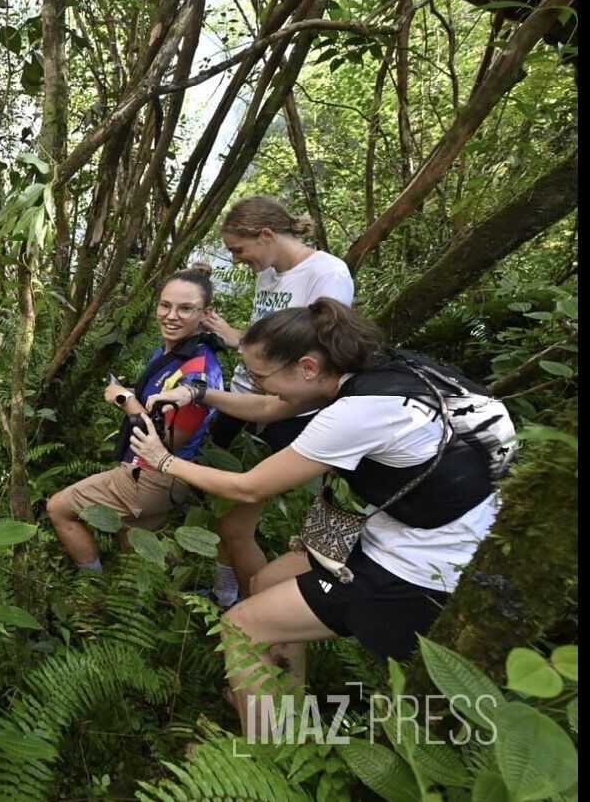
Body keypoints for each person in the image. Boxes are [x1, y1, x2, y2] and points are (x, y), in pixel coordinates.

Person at [130, 299, 512, 737]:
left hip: (422, 567)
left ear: (308, 367)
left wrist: (163, 461)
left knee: (241, 626)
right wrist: (199, 392)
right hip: (428, 526)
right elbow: (277, 407)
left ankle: (267, 752)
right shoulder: (388, 372)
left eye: (258, 377)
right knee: (267, 582)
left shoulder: (359, 413)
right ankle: (282, 704)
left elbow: (249, 487)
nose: (258, 388)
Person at [199, 197, 354, 609]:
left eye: (238, 249)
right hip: (242, 400)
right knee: (223, 513)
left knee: (237, 521)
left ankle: (253, 613)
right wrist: (235, 337)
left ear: (266, 235)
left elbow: (323, 357)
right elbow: (265, 341)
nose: (235, 260)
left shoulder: (326, 274)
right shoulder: (269, 274)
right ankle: (224, 594)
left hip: (284, 412)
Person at [47, 265, 226, 572]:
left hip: (154, 476)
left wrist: (123, 398)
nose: (171, 316)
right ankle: (134, 609)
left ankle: (90, 587)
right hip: (158, 477)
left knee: (59, 508)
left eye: (185, 309)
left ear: (205, 313)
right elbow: (159, 405)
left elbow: (167, 442)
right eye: (165, 305)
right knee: (134, 549)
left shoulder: (196, 373)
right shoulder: (177, 351)